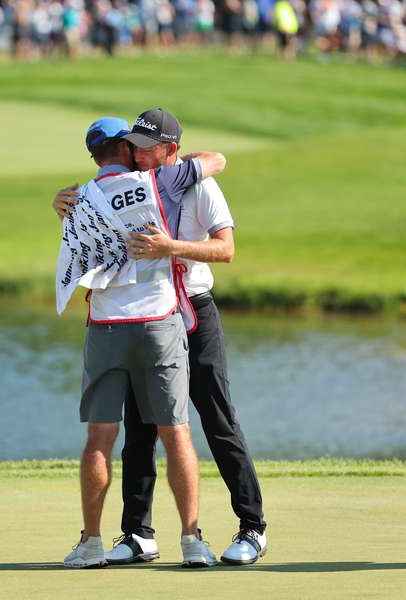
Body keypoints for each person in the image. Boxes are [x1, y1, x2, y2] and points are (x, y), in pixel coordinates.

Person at [56, 116, 227, 569]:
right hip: (157, 324)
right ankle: (191, 540)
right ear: (127, 149)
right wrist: (187, 157)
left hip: (105, 326)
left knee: (99, 438)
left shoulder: (76, 200)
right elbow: (217, 160)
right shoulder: (160, 180)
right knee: (176, 434)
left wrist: (57, 201)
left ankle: (91, 543)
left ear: (93, 155)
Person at [118, 108, 268, 566]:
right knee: (141, 426)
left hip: (196, 313)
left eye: (147, 148)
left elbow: (226, 249)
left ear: (171, 151)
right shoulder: (127, 185)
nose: (138, 154)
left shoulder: (200, 187)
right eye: (135, 146)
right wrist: (62, 202)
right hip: (147, 314)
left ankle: (252, 527)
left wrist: (172, 248)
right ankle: (138, 535)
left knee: (217, 419)